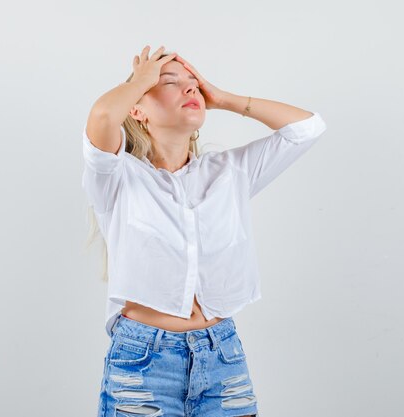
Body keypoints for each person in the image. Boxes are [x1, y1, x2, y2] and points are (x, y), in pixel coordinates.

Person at [82, 45, 327, 417]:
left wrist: (225, 99)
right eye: (170, 83)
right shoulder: (118, 178)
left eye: (194, 84)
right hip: (142, 362)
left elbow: (307, 128)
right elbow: (102, 116)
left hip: (222, 357)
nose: (190, 89)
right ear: (137, 109)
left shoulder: (230, 172)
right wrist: (142, 78)